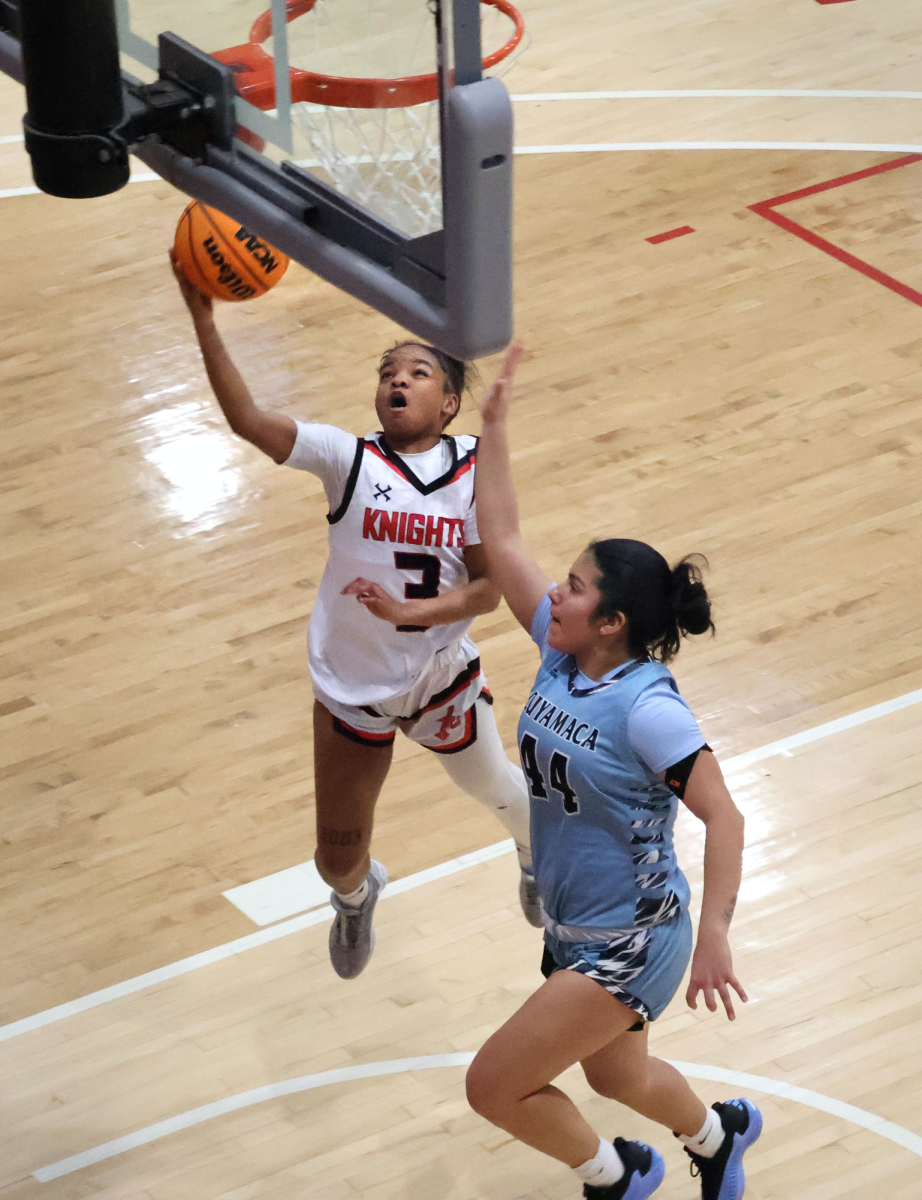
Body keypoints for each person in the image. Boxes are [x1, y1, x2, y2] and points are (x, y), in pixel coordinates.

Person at [171, 259, 538, 980]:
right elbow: (248, 421)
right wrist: (205, 321)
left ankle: (534, 857)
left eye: (417, 373)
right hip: (353, 685)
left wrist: (413, 612)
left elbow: (490, 589)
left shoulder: (476, 466)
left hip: (438, 675)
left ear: (451, 403)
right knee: (334, 857)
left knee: (498, 789)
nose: (397, 381)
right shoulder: (348, 457)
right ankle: (358, 896)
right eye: (387, 371)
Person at [465, 345, 761, 1200]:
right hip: (576, 923)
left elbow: (727, 818)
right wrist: (493, 428)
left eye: (576, 587)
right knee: (615, 1077)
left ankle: (615, 1177)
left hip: (633, 939)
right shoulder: (561, 655)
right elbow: (504, 537)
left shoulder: (646, 709)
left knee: (495, 1085)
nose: (555, 594)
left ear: (613, 622)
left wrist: (714, 936)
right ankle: (720, 1135)